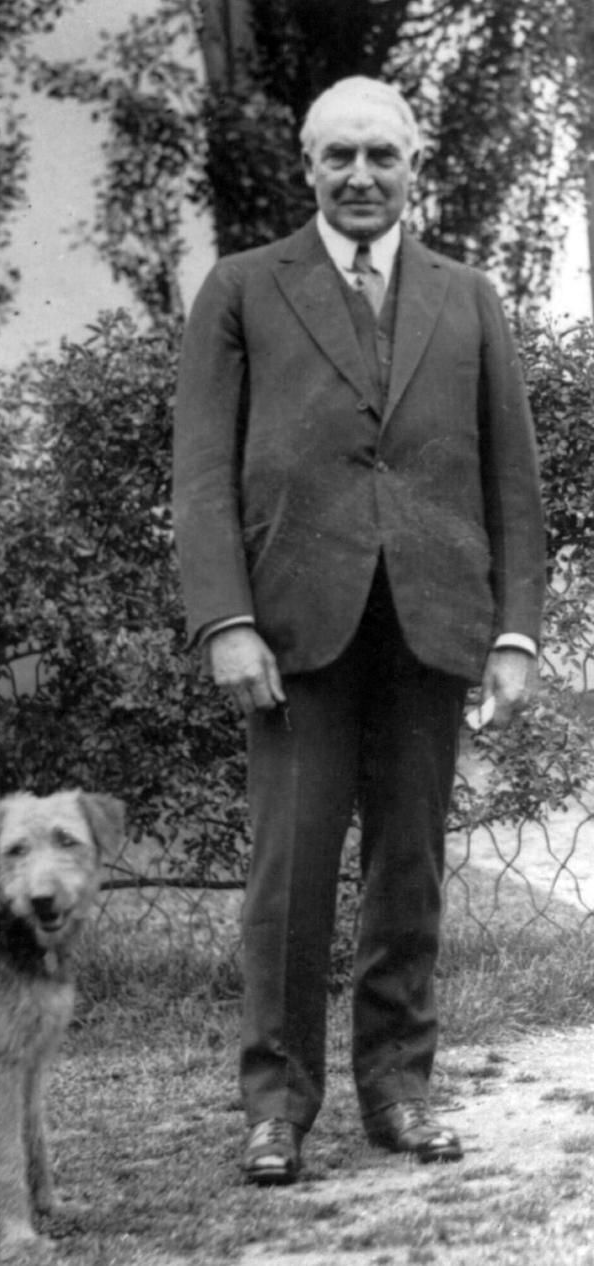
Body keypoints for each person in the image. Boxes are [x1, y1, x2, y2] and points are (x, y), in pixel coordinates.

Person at [171, 76, 545, 1185]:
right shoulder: (239, 290)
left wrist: (516, 633)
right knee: (288, 875)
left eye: (383, 155)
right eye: (339, 156)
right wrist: (226, 622)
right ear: (307, 167)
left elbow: (512, 482)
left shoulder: (467, 296)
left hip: (431, 626)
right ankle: (276, 1105)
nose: (361, 176)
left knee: (409, 871)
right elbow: (200, 478)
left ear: (415, 165)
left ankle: (400, 1090)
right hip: (294, 633)